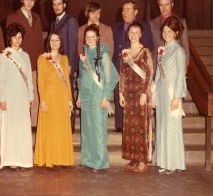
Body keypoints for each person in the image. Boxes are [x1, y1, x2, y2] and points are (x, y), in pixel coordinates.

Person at [76, 24, 118, 172]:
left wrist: (106, 97)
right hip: (86, 96)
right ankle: (87, 160)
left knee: (98, 130)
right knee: (86, 130)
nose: (90, 39)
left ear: (98, 38)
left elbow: (111, 77)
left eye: (93, 37)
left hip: (98, 97)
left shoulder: (103, 54)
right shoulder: (84, 55)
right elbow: (80, 78)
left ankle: (100, 162)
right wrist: (79, 96)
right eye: (87, 37)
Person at [112, 1, 154, 132]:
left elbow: (148, 46)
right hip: (119, 64)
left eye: (128, 9)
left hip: (137, 66)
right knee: (120, 93)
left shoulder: (144, 26)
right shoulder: (116, 27)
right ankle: (120, 124)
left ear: (136, 12)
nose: (124, 12)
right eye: (123, 9)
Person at [119, 21, 154, 173]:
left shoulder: (145, 52)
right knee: (130, 128)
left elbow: (149, 73)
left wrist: (145, 93)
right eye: (130, 32)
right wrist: (121, 92)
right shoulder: (125, 52)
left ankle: (143, 159)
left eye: (136, 32)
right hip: (129, 95)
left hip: (140, 94)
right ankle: (133, 158)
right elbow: (122, 73)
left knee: (141, 127)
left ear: (141, 34)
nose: (133, 35)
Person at [34, 33, 74, 168]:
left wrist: (69, 100)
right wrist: (43, 100)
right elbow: (40, 81)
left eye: (57, 40)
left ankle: (61, 159)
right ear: (48, 42)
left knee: (61, 129)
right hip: (49, 98)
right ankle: (50, 158)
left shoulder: (64, 58)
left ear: (61, 42)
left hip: (62, 98)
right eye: (52, 40)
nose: (55, 42)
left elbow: (67, 81)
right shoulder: (42, 58)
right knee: (50, 128)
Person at [0, 23, 34, 170]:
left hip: (23, 96)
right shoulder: (4, 55)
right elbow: (1, 79)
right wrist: (2, 98)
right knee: (11, 128)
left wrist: (31, 96)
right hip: (10, 97)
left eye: (20, 37)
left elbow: (29, 77)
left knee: (22, 127)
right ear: (9, 38)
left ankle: (23, 159)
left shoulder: (25, 56)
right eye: (15, 37)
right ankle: (11, 159)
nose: (17, 40)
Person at [154, 16, 187, 174]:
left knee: (171, 128)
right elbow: (157, 74)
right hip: (161, 93)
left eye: (169, 31)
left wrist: (177, 97)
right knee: (161, 127)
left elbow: (181, 75)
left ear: (176, 33)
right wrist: (153, 93)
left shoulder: (179, 51)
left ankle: (173, 163)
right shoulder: (162, 50)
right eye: (164, 31)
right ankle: (163, 161)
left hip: (172, 93)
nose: (166, 34)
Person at [6, 0, 43, 127]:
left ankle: (33, 125)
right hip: (18, 61)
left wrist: (41, 61)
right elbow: (10, 41)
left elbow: (39, 40)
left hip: (34, 62)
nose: (29, 2)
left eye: (32, 0)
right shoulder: (12, 16)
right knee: (19, 94)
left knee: (34, 93)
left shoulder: (37, 17)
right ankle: (19, 124)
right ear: (22, 0)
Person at [50, 0, 79, 131]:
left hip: (65, 66)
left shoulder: (71, 21)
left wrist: (70, 67)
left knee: (68, 95)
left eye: (59, 4)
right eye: (54, 4)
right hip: (54, 65)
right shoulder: (52, 23)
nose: (56, 7)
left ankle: (70, 124)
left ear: (65, 5)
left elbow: (73, 46)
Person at [150, 0, 189, 69]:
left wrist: (185, 66)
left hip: (175, 66)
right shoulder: (152, 23)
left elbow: (185, 46)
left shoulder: (181, 22)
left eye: (167, 4)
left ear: (172, 4)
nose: (164, 8)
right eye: (161, 5)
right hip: (157, 67)